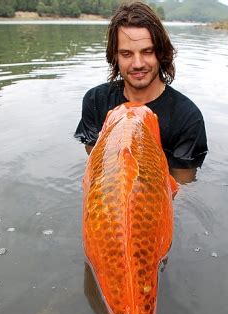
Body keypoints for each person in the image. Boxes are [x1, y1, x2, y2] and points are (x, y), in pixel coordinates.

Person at [74, 2, 207, 184]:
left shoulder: (187, 117)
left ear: (161, 52)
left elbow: (182, 190)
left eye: (147, 52)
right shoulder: (95, 101)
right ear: (115, 56)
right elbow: (97, 171)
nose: (138, 64)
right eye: (127, 54)